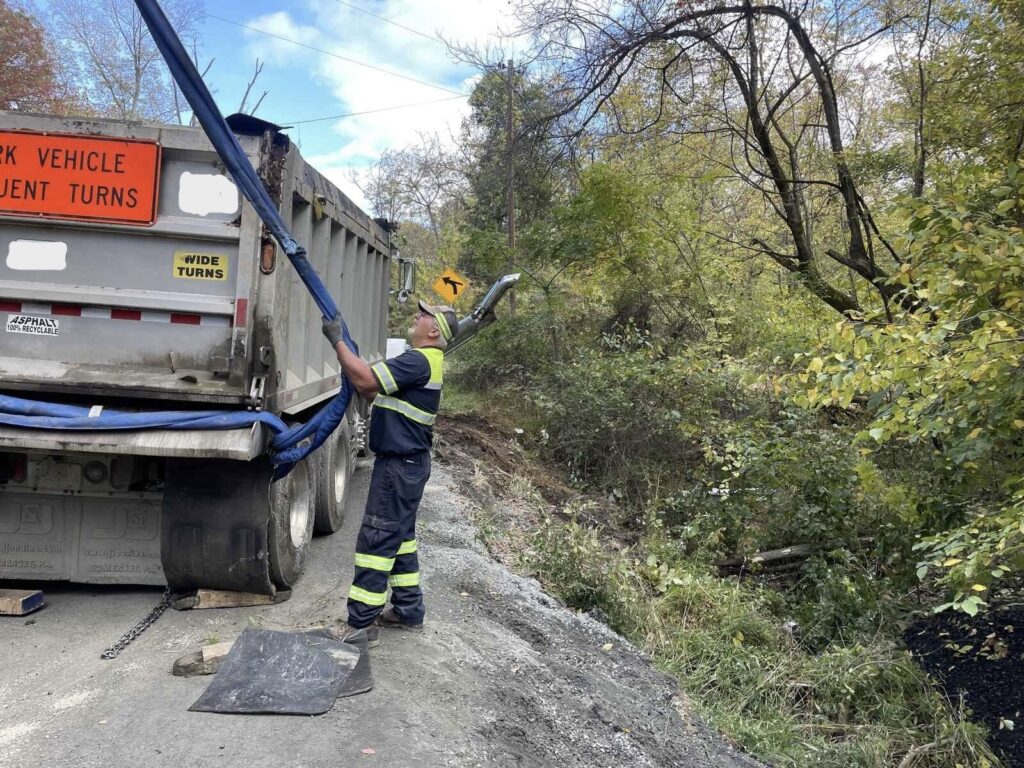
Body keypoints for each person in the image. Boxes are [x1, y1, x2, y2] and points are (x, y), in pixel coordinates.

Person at [322, 299, 458, 646]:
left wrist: (337, 341)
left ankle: (361, 624)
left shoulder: (418, 360)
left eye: (423, 314)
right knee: (400, 538)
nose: (417, 316)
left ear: (433, 330)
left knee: (377, 539)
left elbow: (366, 382)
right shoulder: (429, 360)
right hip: (409, 464)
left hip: (399, 466)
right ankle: (409, 611)